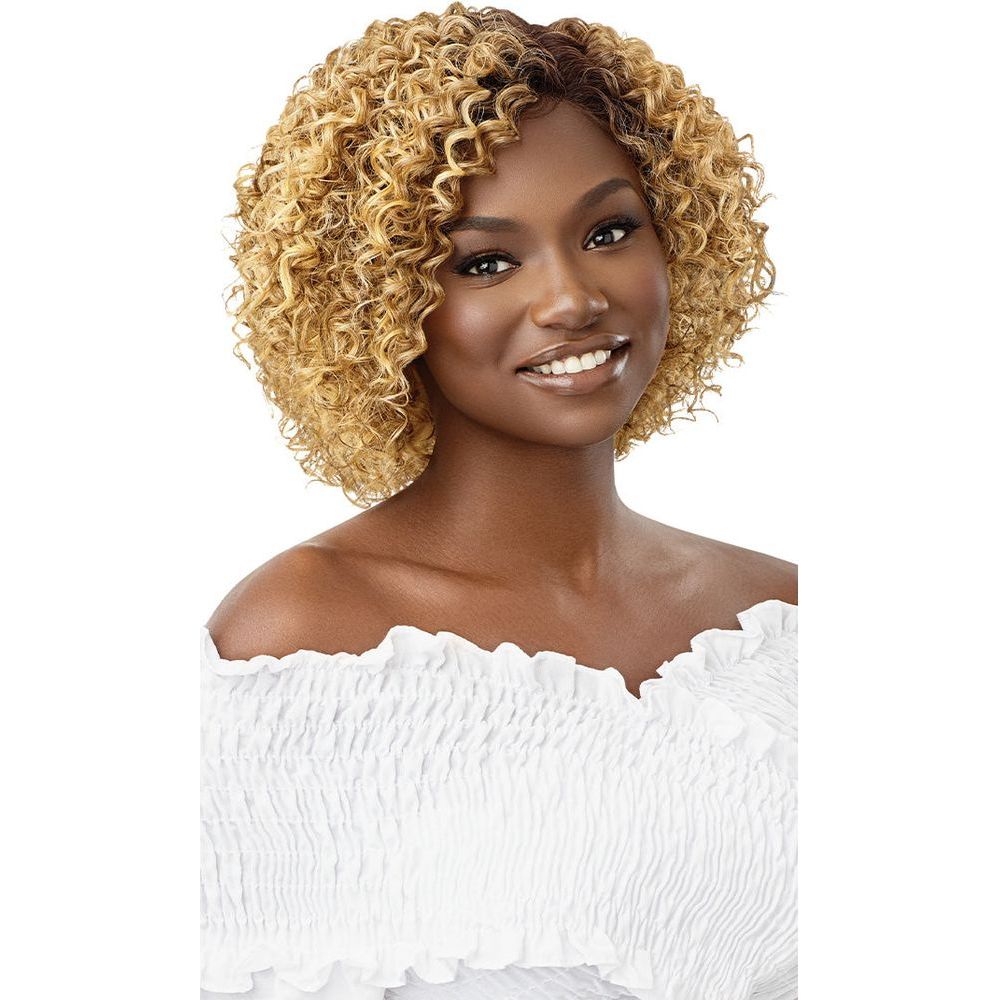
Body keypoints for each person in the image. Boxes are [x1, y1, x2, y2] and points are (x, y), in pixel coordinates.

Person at [201, 5, 798, 999]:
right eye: (486, 262)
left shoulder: (783, 620)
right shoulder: (306, 637)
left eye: (609, 231)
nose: (571, 299)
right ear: (380, 302)